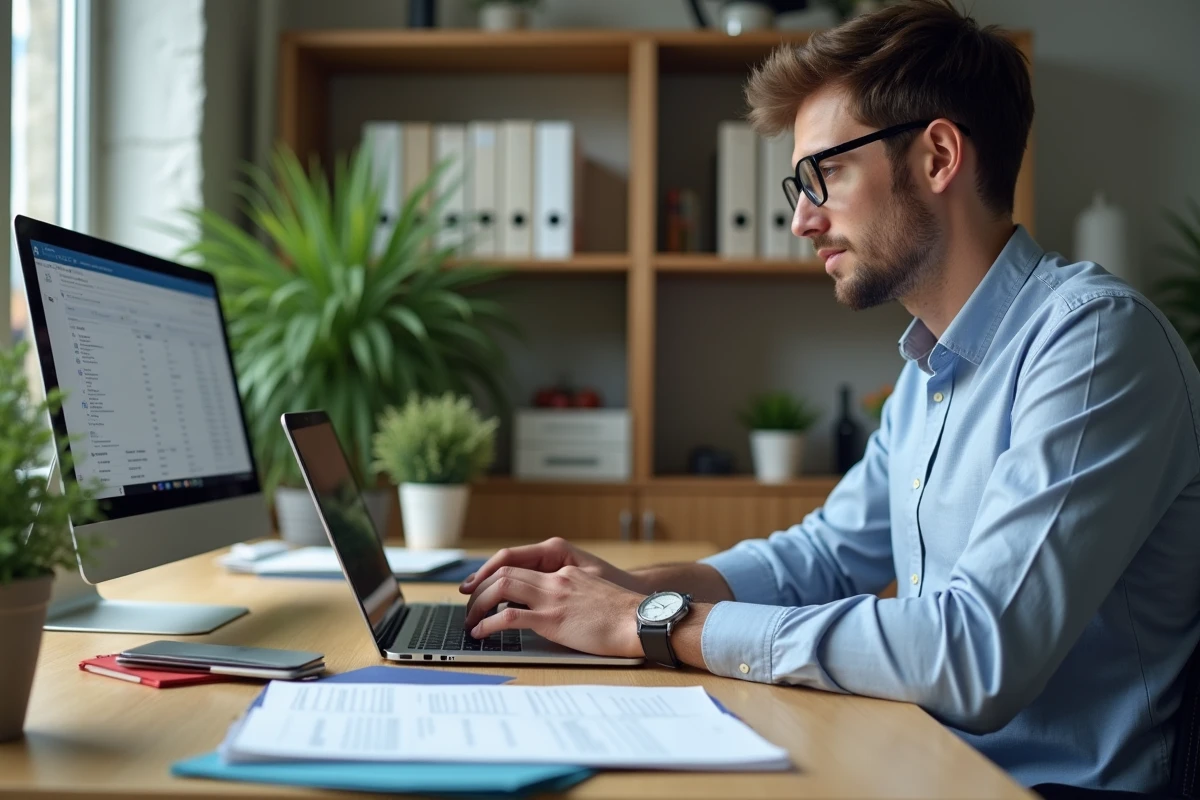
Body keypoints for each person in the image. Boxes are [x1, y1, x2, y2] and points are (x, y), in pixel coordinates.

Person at [460, 0, 1200, 792]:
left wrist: (654, 628)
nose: (801, 219)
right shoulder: (929, 371)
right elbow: (824, 556)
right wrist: (634, 591)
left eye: (827, 173)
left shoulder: (1091, 344)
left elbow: (977, 656)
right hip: (931, 765)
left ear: (939, 156)